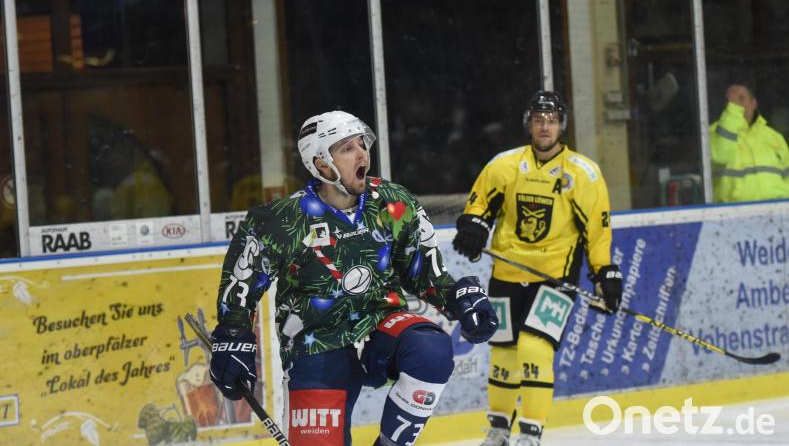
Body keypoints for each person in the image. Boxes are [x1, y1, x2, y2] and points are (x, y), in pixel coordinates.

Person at [209, 110, 498, 446]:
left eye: (363, 144)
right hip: (315, 341)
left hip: (381, 324)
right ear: (320, 163)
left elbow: (423, 274)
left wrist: (457, 298)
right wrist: (232, 335)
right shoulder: (281, 221)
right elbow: (241, 286)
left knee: (430, 350)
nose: (363, 154)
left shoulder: (393, 203)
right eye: (347, 148)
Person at [452, 91, 622, 446]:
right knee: (503, 353)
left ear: (562, 125)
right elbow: (479, 204)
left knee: (535, 350)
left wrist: (604, 273)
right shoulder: (505, 165)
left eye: (552, 119)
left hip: (555, 279)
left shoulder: (584, 173)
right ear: (528, 124)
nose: (545, 126)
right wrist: (473, 227)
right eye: (539, 119)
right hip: (507, 275)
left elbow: (597, 231)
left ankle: (530, 433)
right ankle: (499, 429)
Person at [710, 84, 789, 203]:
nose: (736, 102)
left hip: (779, 212)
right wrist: (733, 112)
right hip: (732, 213)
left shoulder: (775, 137)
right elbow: (721, 157)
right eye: (731, 100)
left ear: (753, 104)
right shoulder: (714, 132)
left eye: (741, 98)